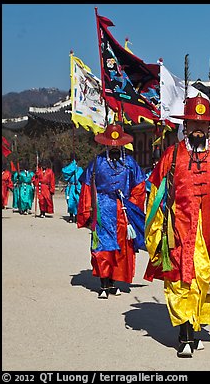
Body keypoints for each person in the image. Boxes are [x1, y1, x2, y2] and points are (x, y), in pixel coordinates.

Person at [143, 93, 210, 358]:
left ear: (209, 127)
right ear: (186, 126)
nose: (198, 129)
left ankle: (196, 325)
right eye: (193, 124)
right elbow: (156, 195)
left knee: (204, 279)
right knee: (180, 281)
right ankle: (184, 335)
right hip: (179, 230)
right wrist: (157, 229)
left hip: (209, 232)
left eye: (203, 124)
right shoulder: (172, 156)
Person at [77, 124, 147, 299]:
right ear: (106, 144)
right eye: (111, 144)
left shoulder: (130, 163)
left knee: (120, 249)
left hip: (123, 210)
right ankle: (103, 283)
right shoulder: (97, 162)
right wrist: (87, 212)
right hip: (102, 209)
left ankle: (113, 282)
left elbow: (139, 186)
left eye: (117, 144)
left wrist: (131, 205)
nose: (114, 147)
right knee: (102, 248)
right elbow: (86, 187)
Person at [61, 156, 83, 223]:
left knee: (77, 202)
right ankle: (71, 216)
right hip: (71, 187)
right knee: (70, 202)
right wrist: (72, 167)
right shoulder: (68, 169)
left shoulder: (80, 170)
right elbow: (65, 173)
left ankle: (76, 216)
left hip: (78, 187)